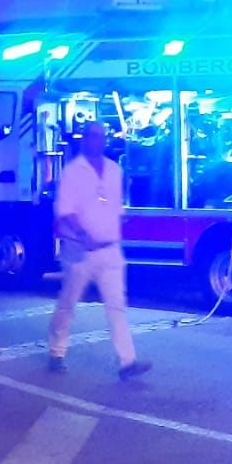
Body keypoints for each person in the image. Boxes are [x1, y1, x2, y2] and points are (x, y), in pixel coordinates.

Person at [48, 121, 152, 380]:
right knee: (68, 304)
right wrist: (84, 235)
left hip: (110, 251)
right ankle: (56, 351)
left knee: (117, 307)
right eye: (93, 136)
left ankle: (127, 362)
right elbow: (65, 212)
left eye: (101, 136)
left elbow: (116, 207)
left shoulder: (115, 171)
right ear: (84, 140)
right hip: (80, 252)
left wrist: (116, 224)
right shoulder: (73, 172)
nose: (98, 140)